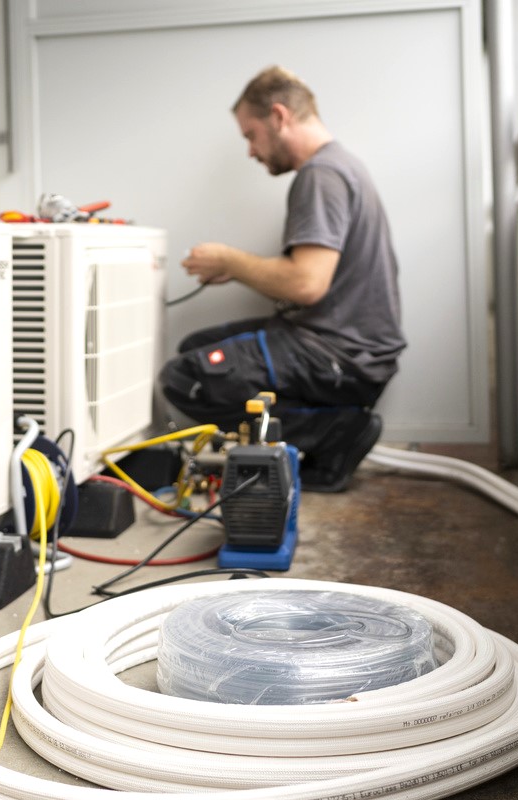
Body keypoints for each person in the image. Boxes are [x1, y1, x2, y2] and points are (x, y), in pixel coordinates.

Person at [158, 65, 406, 492]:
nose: (251, 151)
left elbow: (306, 283)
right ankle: (328, 434)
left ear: (279, 116)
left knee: (185, 379)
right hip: (340, 345)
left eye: (250, 135)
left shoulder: (321, 175)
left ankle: (337, 432)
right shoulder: (340, 166)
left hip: (338, 354)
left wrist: (231, 260)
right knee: (194, 350)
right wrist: (233, 269)